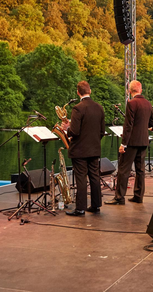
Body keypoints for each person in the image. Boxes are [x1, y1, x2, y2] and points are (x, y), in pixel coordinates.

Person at [105, 80, 153, 205]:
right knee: (140, 170)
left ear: (129, 91)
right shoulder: (148, 104)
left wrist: (123, 144)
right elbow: (152, 123)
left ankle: (119, 197)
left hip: (132, 142)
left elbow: (128, 126)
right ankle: (138, 196)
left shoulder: (131, 103)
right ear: (141, 90)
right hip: (143, 141)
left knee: (124, 169)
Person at [61, 81, 105, 216]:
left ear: (78, 92)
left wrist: (66, 128)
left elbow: (74, 132)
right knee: (94, 177)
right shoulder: (99, 107)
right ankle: (96, 205)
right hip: (94, 149)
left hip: (80, 150)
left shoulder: (77, 108)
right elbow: (102, 131)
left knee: (81, 179)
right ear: (89, 91)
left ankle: (80, 208)